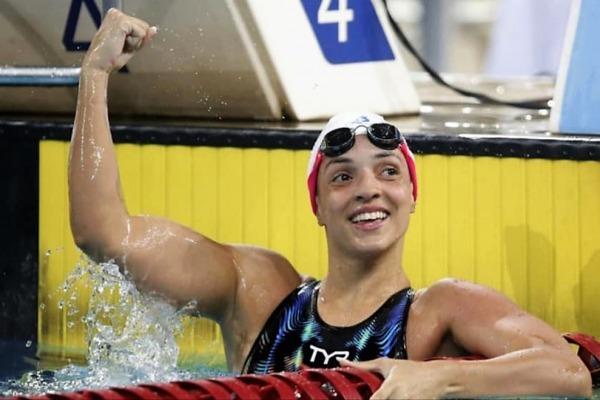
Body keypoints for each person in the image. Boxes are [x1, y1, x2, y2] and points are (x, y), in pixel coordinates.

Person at [69, 9, 592, 399]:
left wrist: (440, 376)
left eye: (389, 172)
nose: (369, 188)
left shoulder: (439, 312)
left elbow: (568, 371)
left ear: (412, 195)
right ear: (316, 204)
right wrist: (93, 79)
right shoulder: (258, 290)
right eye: (343, 177)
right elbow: (104, 235)